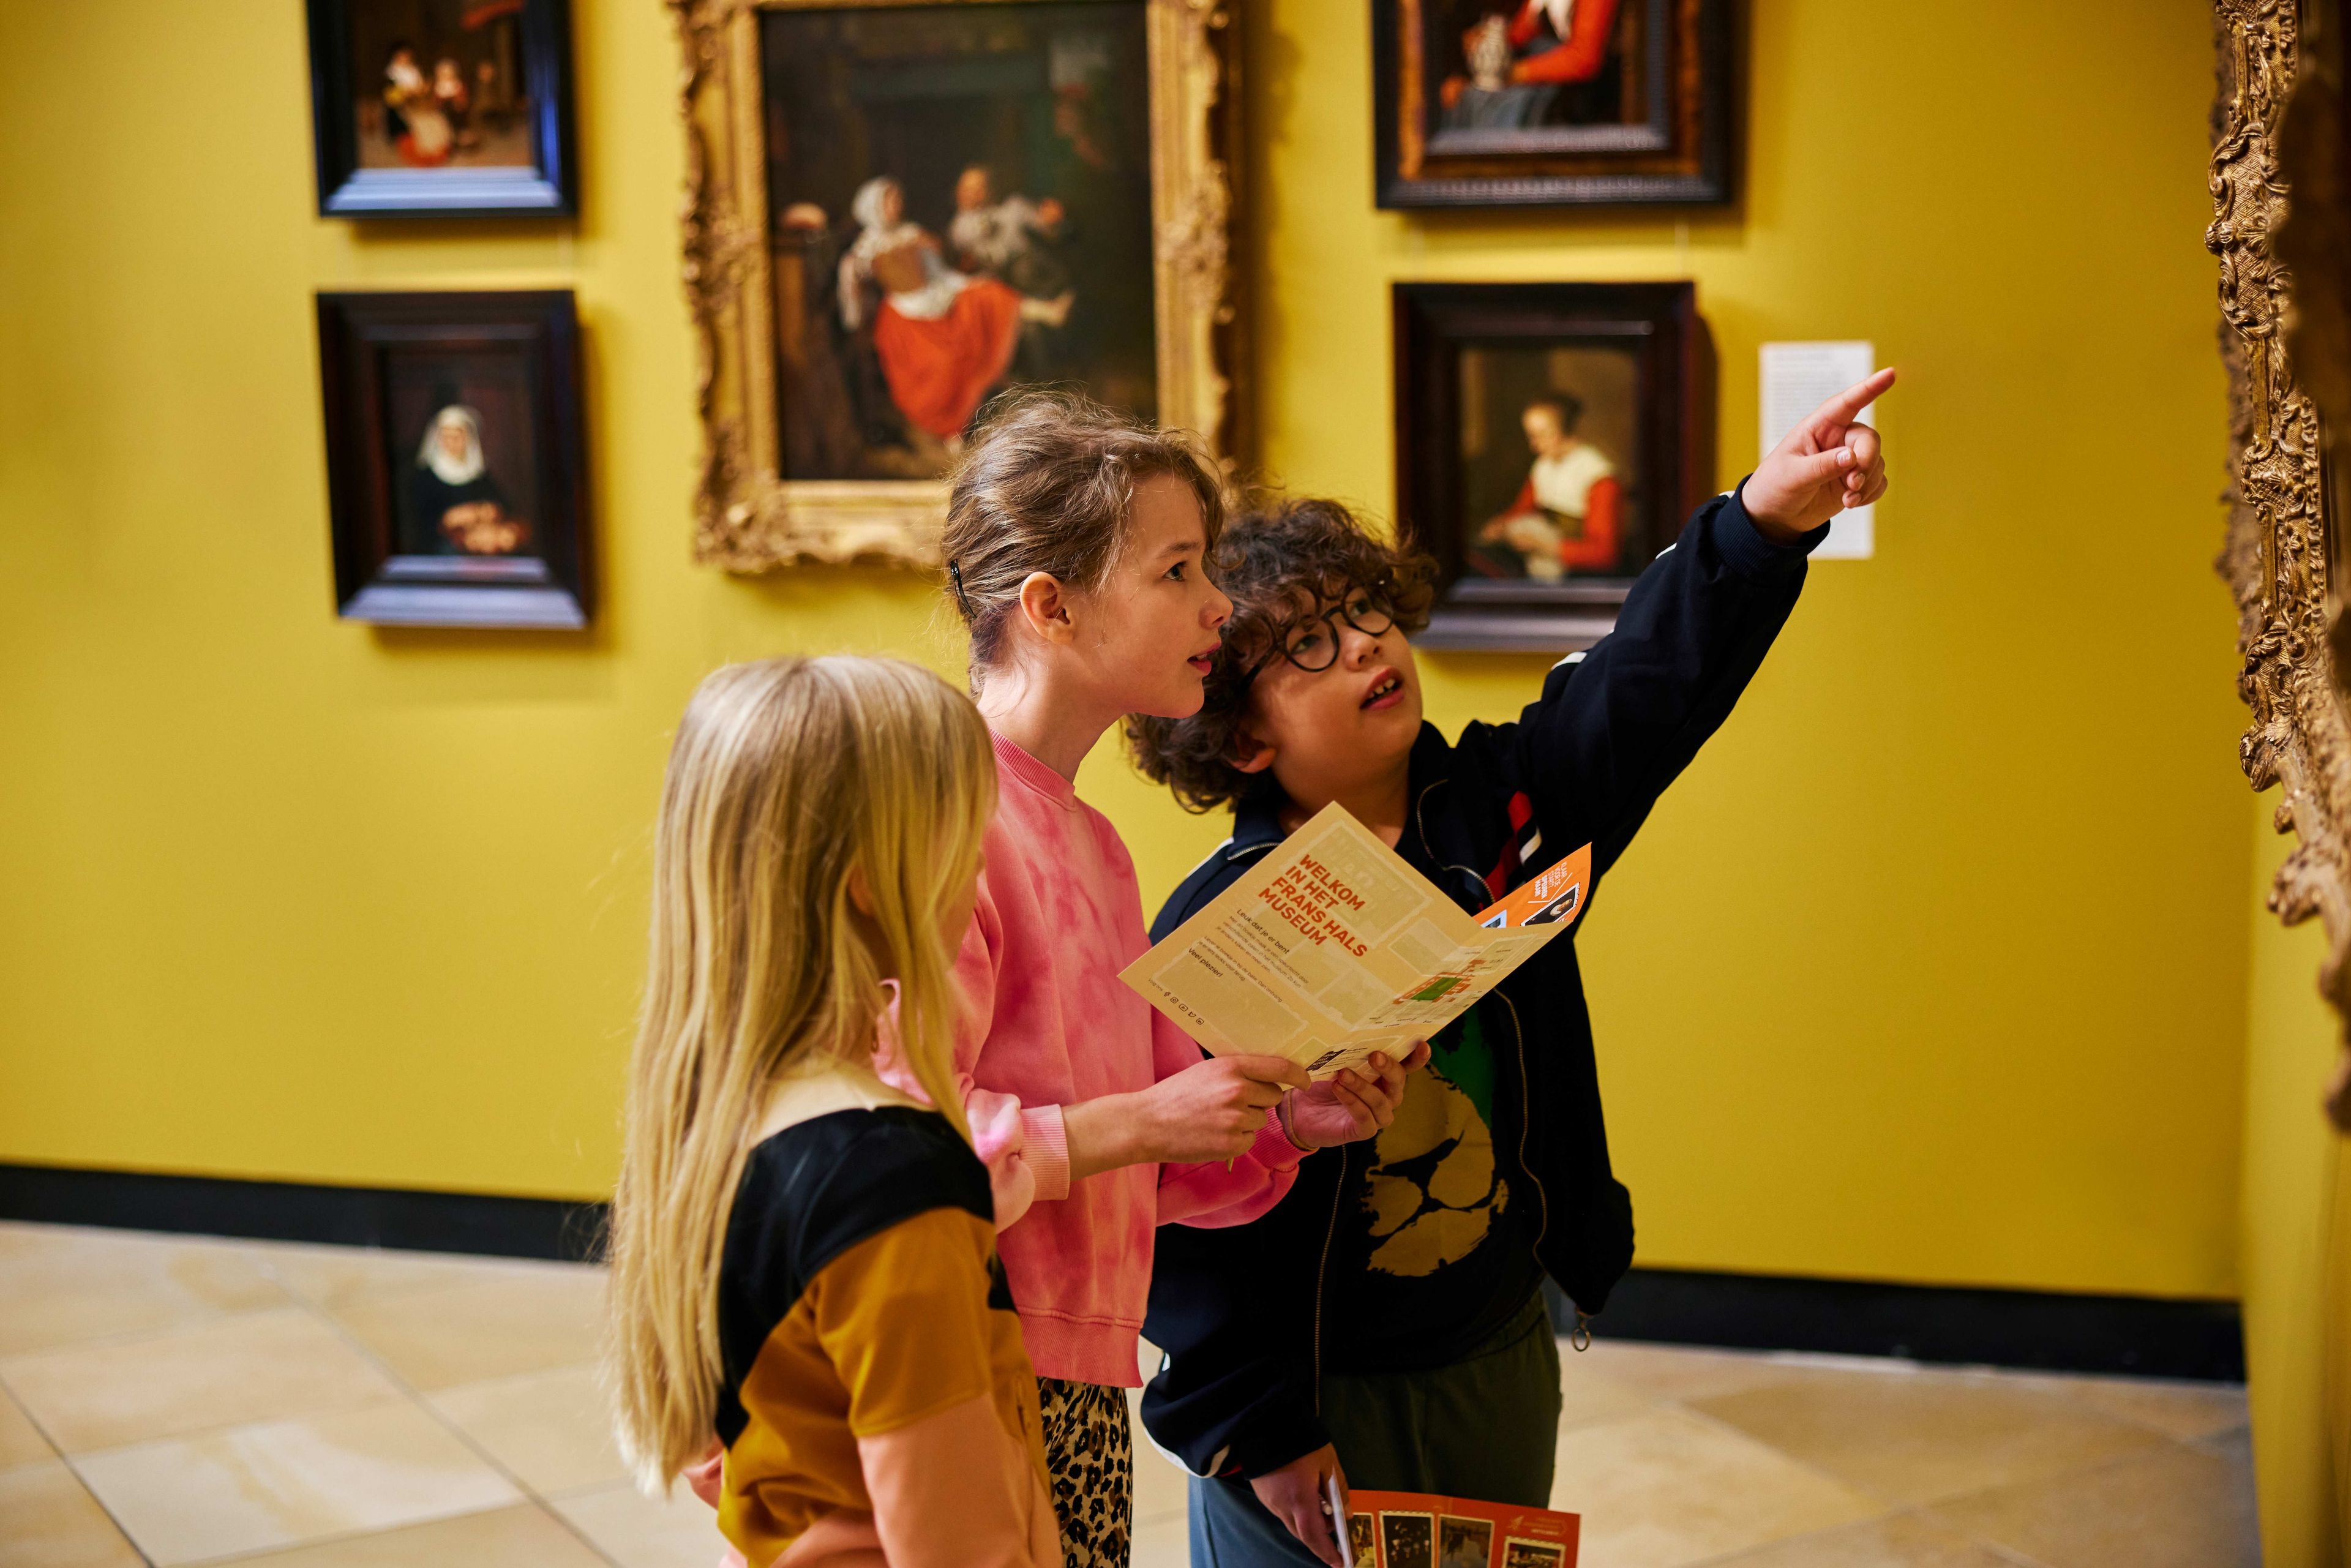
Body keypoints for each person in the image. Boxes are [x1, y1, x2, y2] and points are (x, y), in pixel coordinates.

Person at [1125, 372, 1893, 1566]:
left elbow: (1647, 683)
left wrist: (1765, 518)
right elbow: (1186, 1218)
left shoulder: (1510, 805)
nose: (1366, 644)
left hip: (1492, 1345)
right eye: (1310, 646)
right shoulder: (1230, 922)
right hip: (1313, 1391)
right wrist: (1252, 1427)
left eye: (1368, 612)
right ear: (1243, 733)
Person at [929, 393, 1427, 1567]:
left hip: (1083, 1365)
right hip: (962, 1359)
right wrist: (1147, 1116)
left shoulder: (1095, 845)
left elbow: (1145, 1168)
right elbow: (901, 1147)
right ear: (1051, 607)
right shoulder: (939, 817)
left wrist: (1282, 1121)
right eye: (1178, 571)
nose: (1220, 606)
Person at [604, 655, 1060, 1568]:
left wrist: (962, 1232)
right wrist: (933, 1229)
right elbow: (959, 1548)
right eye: (962, 835)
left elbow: (744, 1436)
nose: (978, 864)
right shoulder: (892, 1181)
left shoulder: (717, 1121)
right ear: (867, 879)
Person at [836, 177, 1071, 451]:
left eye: (897, 199)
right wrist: (855, 316)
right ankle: (950, 428)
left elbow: (941, 277)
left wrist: (967, 285)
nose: (896, 205)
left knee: (989, 293)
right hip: (905, 318)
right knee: (944, 362)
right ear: (873, 206)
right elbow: (851, 283)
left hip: (937, 300)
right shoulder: (865, 247)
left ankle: (1046, 311)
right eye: (888, 201)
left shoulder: (914, 234)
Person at [1469, 395, 1621, 582]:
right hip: (1541, 560)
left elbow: (1604, 554)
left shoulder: (1600, 478)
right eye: (1531, 436)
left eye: (1541, 435)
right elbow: (1524, 508)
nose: (1533, 446)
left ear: (1567, 430)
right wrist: (1501, 525)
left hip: (1579, 576)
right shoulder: (1544, 465)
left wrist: (1543, 546)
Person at [1441, 0, 1623, 129]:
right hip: (1536, 73)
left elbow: (1585, 59)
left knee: (1506, 102)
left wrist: (1516, 73)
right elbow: (1521, 33)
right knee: (1466, 97)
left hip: (1579, 92)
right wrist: (1485, 39)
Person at [409, 406, 526, 556]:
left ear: (468, 439)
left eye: (457, 437)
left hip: (480, 548)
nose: (451, 443)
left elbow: (502, 507)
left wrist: (482, 511)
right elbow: (418, 522)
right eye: (446, 437)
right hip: (439, 551)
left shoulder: (480, 475)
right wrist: (449, 519)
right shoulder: (424, 477)